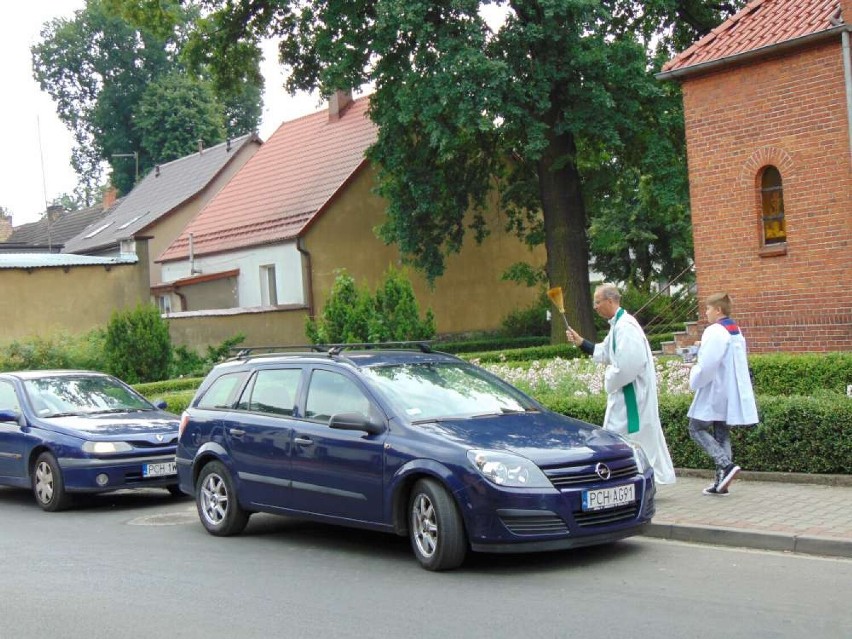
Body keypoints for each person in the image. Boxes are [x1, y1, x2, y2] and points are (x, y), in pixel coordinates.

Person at [566, 284, 676, 484]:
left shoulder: (626, 327)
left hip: (632, 397)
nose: (595, 306)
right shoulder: (617, 325)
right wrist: (581, 342)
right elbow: (605, 352)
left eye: (598, 302)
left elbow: (628, 367)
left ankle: (633, 480)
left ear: (610, 301)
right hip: (627, 395)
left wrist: (608, 378)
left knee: (627, 440)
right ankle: (633, 479)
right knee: (629, 439)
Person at [687, 293, 758, 496]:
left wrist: (694, 373)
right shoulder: (734, 330)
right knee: (721, 432)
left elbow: (708, 365)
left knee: (696, 428)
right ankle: (721, 483)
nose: (706, 313)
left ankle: (726, 466)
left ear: (718, 310)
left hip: (715, 389)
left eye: (708, 309)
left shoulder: (715, 330)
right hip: (731, 390)